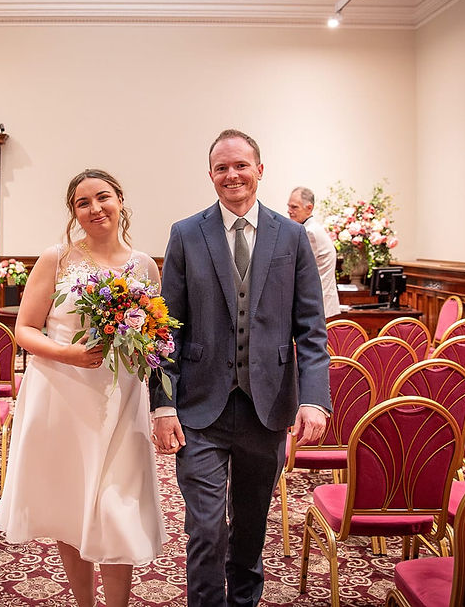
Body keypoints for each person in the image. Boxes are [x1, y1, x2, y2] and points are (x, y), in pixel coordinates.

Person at [150, 129, 330, 606]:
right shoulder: (186, 234)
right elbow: (166, 328)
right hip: (200, 407)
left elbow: (311, 328)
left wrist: (314, 399)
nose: (232, 175)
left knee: (250, 530)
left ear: (260, 170)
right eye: (222, 167)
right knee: (206, 530)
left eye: (241, 165)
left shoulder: (292, 236)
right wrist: (163, 404)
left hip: (266, 408)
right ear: (210, 175)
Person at [0, 169, 166, 607]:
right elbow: (24, 329)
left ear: (120, 200)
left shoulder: (145, 266)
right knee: (70, 507)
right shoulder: (57, 259)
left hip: (121, 398)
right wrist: (68, 353)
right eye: (82, 203)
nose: (95, 209)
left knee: (117, 510)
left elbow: (155, 336)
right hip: (62, 393)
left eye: (102, 197)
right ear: (73, 213)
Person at [287, 187, 341, 318]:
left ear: (309, 208)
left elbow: (295, 267)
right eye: (289, 206)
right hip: (322, 300)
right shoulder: (312, 228)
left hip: (318, 303)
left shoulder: (309, 232)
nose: (289, 211)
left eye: (294, 207)